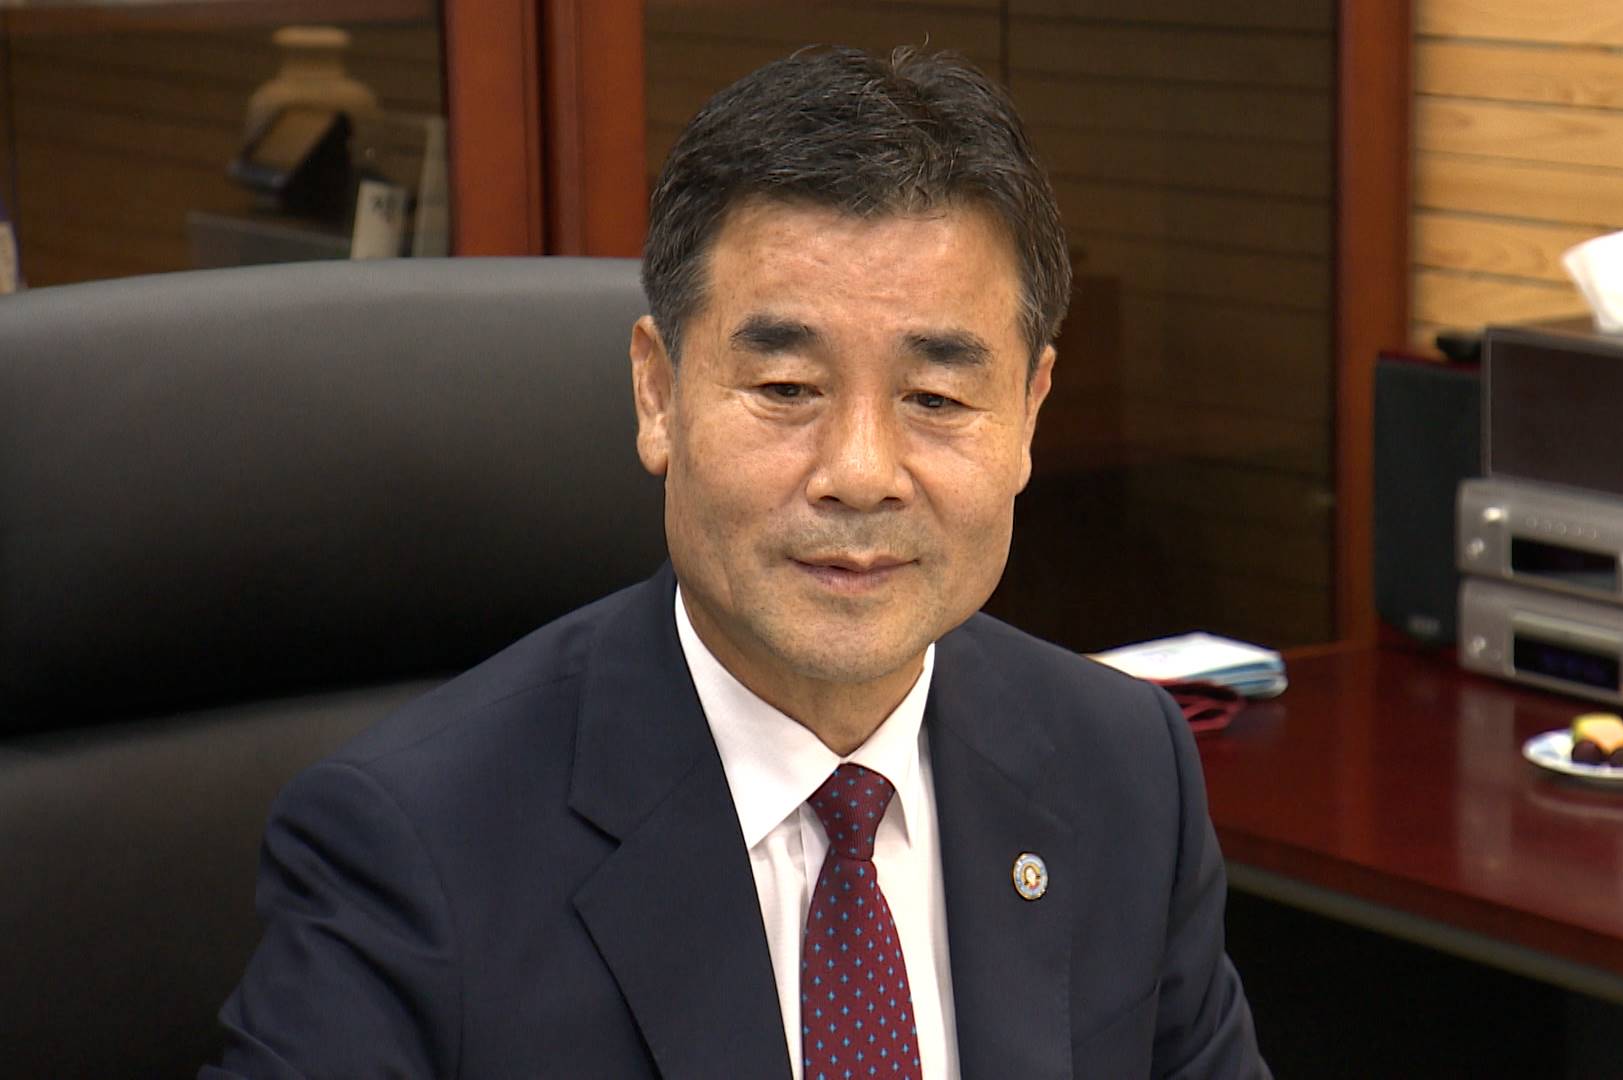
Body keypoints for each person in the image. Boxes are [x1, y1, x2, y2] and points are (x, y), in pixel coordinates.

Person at [205, 45, 1268, 1080]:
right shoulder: (413, 848)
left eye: (937, 399)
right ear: (658, 394)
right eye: (786, 389)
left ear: (1030, 413)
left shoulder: (1123, 770)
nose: (861, 474)